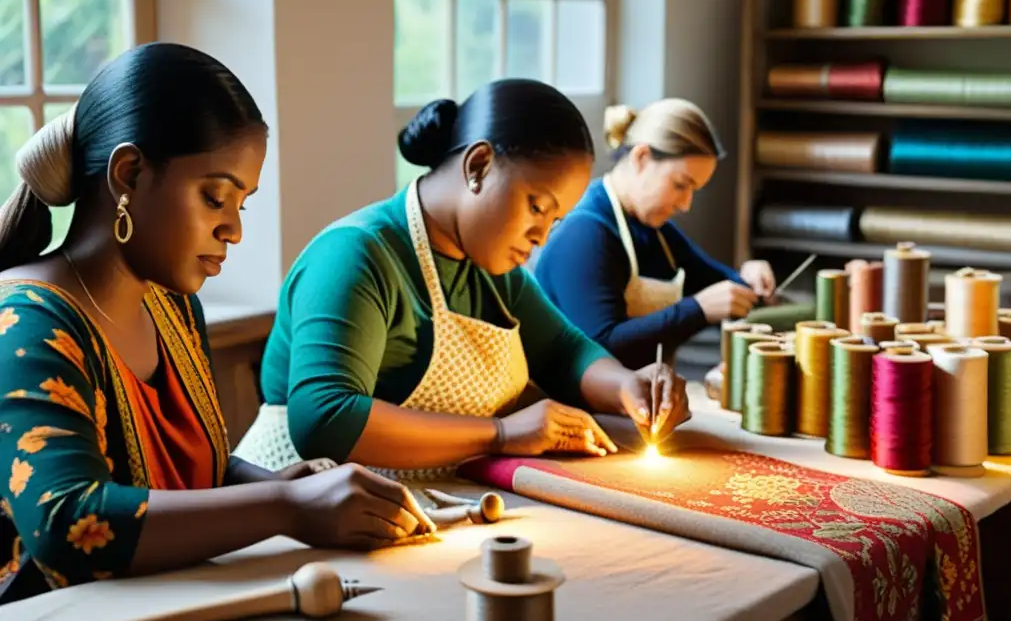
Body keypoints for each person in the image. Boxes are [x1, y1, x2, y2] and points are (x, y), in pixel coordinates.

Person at [0, 43, 433, 605]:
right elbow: (69, 524)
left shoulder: (173, 308)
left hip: (176, 607)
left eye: (241, 205)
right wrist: (285, 507)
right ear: (129, 174)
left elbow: (182, 473)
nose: (233, 229)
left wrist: (279, 484)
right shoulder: (26, 321)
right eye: (215, 197)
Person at [233, 79, 690, 477]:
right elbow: (325, 420)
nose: (541, 237)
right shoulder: (355, 255)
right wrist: (500, 433)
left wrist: (627, 386)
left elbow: (562, 350)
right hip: (294, 512)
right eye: (536, 207)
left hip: (409, 501)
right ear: (478, 167)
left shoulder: (491, 270)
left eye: (555, 222)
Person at [533, 98, 776, 370]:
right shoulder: (583, 233)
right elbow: (601, 348)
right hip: (567, 405)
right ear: (642, 158)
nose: (686, 204)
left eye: (694, 190)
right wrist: (697, 310)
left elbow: (717, 284)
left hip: (635, 399)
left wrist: (748, 277)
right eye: (680, 185)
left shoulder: (656, 232)